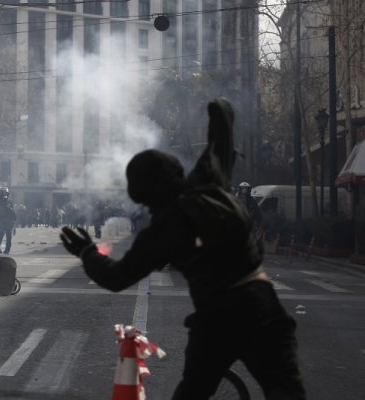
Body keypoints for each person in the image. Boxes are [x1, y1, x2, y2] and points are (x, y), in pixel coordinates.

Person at [60, 99, 306, 400]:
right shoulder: (209, 183)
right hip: (264, 306)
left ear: (144, 192)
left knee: (194, 391)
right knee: (286, 390)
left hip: (216, 319)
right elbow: (220, 145)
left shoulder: (164, 229)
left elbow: (116, 277)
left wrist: (86, 252)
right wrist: (219, 112)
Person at [0, 186, 16, 254]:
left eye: (4, 192)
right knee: (1, 234)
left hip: (9, 220)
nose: (3, 194)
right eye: (2, 192)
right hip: (1, 219)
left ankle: (7, 250)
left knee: (8, 235)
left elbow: (13, 212)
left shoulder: (9, 201)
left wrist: (14, 221)